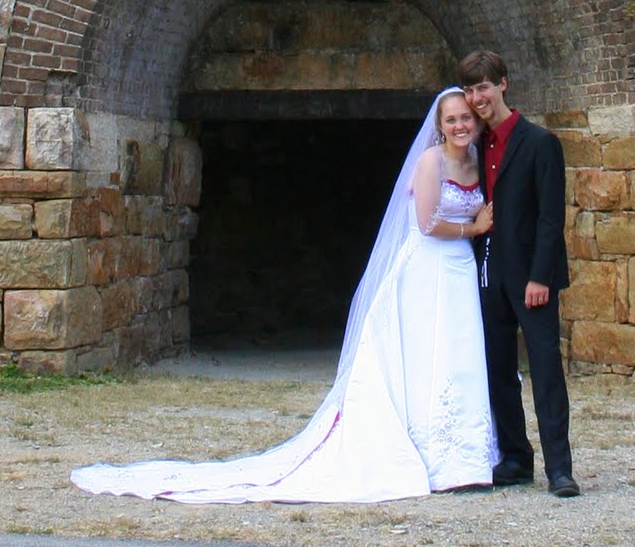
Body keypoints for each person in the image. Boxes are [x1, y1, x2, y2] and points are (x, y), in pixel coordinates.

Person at [71, 86, 498, 503]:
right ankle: (427, 453)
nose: (460, 125)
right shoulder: (429, 162)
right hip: (428, 267)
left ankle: (465, 458)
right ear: (440, 126)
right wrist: (473, 228)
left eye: (466, 118)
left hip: (459, 270)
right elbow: (425, 224)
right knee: (427, 353)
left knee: (457, 355)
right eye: (452, 119)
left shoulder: (477, 159)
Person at [458, 49, 578, 498]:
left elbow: (550, 217)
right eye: (470, 91)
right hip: (490, 275)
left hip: (532, 278)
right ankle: (515, 459)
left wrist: (541, 277)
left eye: (483, 87)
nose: (477, 98)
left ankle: (560, 470)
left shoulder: (540, 142)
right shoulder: (474, 144)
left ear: (503, 84)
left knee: (546, 370)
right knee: (497, 370)